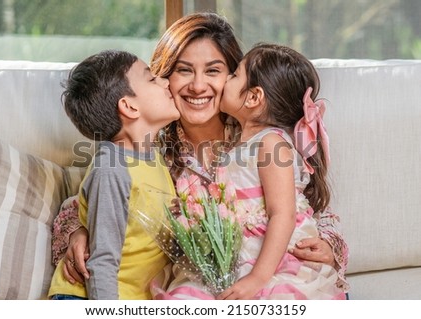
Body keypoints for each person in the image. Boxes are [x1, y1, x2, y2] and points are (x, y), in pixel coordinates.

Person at [52, 12, 349, 295]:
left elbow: (304, 210)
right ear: (165, 77)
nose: (197, 86)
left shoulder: (260, 138)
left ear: (236, 78)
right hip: (204, 286)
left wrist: (329, 248)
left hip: (273, 276)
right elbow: (85, 200)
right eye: (183, 70)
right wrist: (80, 231)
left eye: (213, 70)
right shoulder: (149, 147)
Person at [215, 42, 346, 299]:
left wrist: (258, 278)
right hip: (249, 253)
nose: (225, 81)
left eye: (233, 75)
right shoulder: (238, 144)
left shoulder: (271, 143)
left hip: (278, 260)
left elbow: (282, 213)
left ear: (253, 97)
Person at [48, 49, 180, 299]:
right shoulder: (111, 168)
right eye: (152, 79)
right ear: (129, 106)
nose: (165, 81)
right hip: (88, 298)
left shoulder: (154, 157)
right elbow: (103, 261)